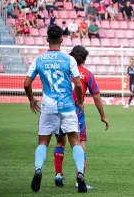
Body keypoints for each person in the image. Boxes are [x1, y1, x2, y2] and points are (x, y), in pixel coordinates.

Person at [23, 26, 87, 193]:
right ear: (61, 40)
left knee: (43, 142)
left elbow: (26, 84)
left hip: (48, 106)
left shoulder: (39, 60)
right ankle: (80, 174)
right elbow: (78, 85)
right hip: (67, 106)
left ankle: (38, 169)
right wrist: (79, 102)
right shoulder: (69, 60)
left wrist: (31, 99)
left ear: (47, 39)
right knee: (75, 142)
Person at [53, 45, 109, 189]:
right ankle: (80, 180)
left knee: (60, 142)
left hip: (60, 110)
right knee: (81, 143)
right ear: (84, 59)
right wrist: (103, 116)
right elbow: (96, 96)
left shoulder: (63, 71)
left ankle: (58, 174)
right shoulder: (87, 74)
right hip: (77, 112)